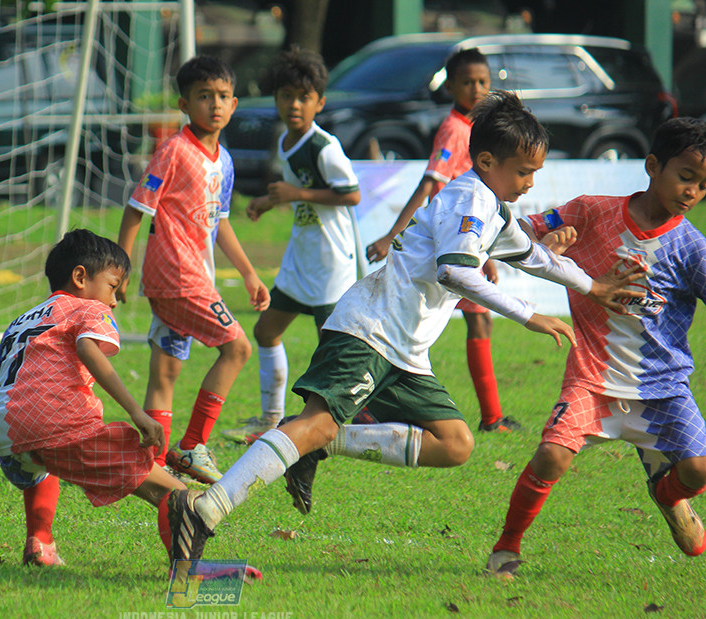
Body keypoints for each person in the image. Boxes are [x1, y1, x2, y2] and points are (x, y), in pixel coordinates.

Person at [164, 91, 644, 564]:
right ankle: (204, 509)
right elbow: (454, 271)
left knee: (455, 444)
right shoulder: (469, 198)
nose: (529, 183)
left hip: (403, 351)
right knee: (316, 422)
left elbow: (533, 254)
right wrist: (528, 313)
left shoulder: (492, 206)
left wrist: (592, 288)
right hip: (371, 331)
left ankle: (320, 439)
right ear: (486, 160)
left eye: (534, 173)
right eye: (523, 172)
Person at [487, 117, 706, 574]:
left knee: (700, 472)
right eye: (686, 177)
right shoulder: (590, 210)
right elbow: (519, 230)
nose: (693, 192)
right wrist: (544, 243)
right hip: (593, 378)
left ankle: (666, 493)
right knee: (550, 455)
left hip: (663, 387)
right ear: (652, 165)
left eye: (704, 186)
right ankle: (506, 548)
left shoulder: (692, 249)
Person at [0, 229, 185, 569]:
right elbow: (88, 348)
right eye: (113, 286)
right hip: (61, 431)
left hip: (12, 447)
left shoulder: (19, 325)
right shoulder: (88, 308)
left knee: (45, 457)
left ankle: (40, 542)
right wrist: (136, 413)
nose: (114, 301)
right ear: (80, 277)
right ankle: (193, 576)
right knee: (178, 496)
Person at [117, 55, 270, 484]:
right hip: (177, 276)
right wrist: (120, 268)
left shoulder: (225, 161)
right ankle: (190, 446)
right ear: (185, 104)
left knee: (165, 371)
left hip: (193, 275)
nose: (214, 105)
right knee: (237, 348)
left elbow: (219, 223)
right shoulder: (173, 150)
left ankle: (150, 462)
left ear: (235, 104)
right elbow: (136, 210)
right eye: (204, 96)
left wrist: (248, 273)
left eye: (222, 96)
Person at [366, 48, 519, 433]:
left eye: (483, 81)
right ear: (450, 86)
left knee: (474, 323)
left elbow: (481, 204)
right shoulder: (455, 130)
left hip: (464, 243)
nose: (477, 88)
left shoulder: (482, 132)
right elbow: (431, 183)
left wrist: (487, 256)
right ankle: (489, 417)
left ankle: (491, 416)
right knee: (421, 326)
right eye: (468, 82)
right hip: (445, 244)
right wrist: (392, 234)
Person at [219, 46, 361, 446]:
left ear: (320, 101)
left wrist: (294, 192)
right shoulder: (286, 141)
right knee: (266, 330)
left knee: (332, 347)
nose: (294, 105)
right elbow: (297, 193)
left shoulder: (324, 146)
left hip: (331, 259)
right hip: (301, 256)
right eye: (286, 96)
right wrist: (270, 200)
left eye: (304, 97)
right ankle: (271, 418)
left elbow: (350, 195)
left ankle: (340, 425)